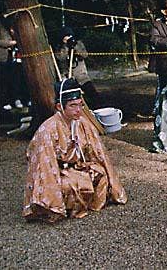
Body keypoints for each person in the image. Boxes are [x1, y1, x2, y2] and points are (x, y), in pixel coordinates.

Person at [22, 78, 127, 222]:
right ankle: (57, 208)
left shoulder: (82, 123)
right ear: (60, 107)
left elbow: (98, 151)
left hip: (77, 166)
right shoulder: (48, 130)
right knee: (72, 183)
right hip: (56, 172)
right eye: (72, 106)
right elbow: (45, 166)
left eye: (80, 105)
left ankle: (87, 203)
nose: (78, 110)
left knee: (100, 173)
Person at [56, 26, 99, 107]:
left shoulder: (78, 43)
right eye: (66, 37)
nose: (68, 38)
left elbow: (85, 55)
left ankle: (96, 107)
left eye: (70, 36)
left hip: (81, 76)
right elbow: (60, 58)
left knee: (92, 94)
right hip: (68, 77)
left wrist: (75, 47)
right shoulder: (60, 47)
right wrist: (65, 46)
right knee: (72, 98)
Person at [0, 17, 22, 111]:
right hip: (1, 57)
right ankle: (4, 102)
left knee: (16, 79)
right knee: (3, 81)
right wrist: (9, 43)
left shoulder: (14, 23)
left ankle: (16, 99)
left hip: (14, 57)